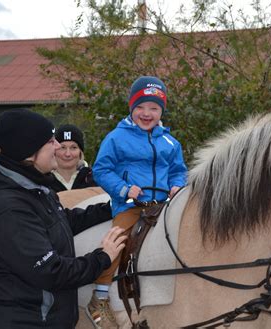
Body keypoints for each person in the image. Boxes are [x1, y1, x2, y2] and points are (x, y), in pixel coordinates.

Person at [0, 108, 126, 329]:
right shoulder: (8, 208)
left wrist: (114, 207)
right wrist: (103, 258)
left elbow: (64, 222)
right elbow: (51, 272)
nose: (57, 146)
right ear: (28, 151)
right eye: (51, 141)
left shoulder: (32, 190)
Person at [90, 76, 188, 327]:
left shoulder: (170, 141)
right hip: (132, 207)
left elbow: (179, 170)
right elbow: (101, 170)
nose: (147, 113)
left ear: (161, 111)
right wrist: (123, 189)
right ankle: (99, 297)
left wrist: (178, 185)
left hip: (164, 206)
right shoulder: (116, 138)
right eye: (141, 107)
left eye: (154, 108)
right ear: (131, 108)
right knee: (117, 240)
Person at [50, 123, 97, 192]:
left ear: (80, 152)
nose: (67, 154)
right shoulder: (43, 182)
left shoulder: (93, 179)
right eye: (62, 147)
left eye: (73, 148)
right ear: (54, 151)